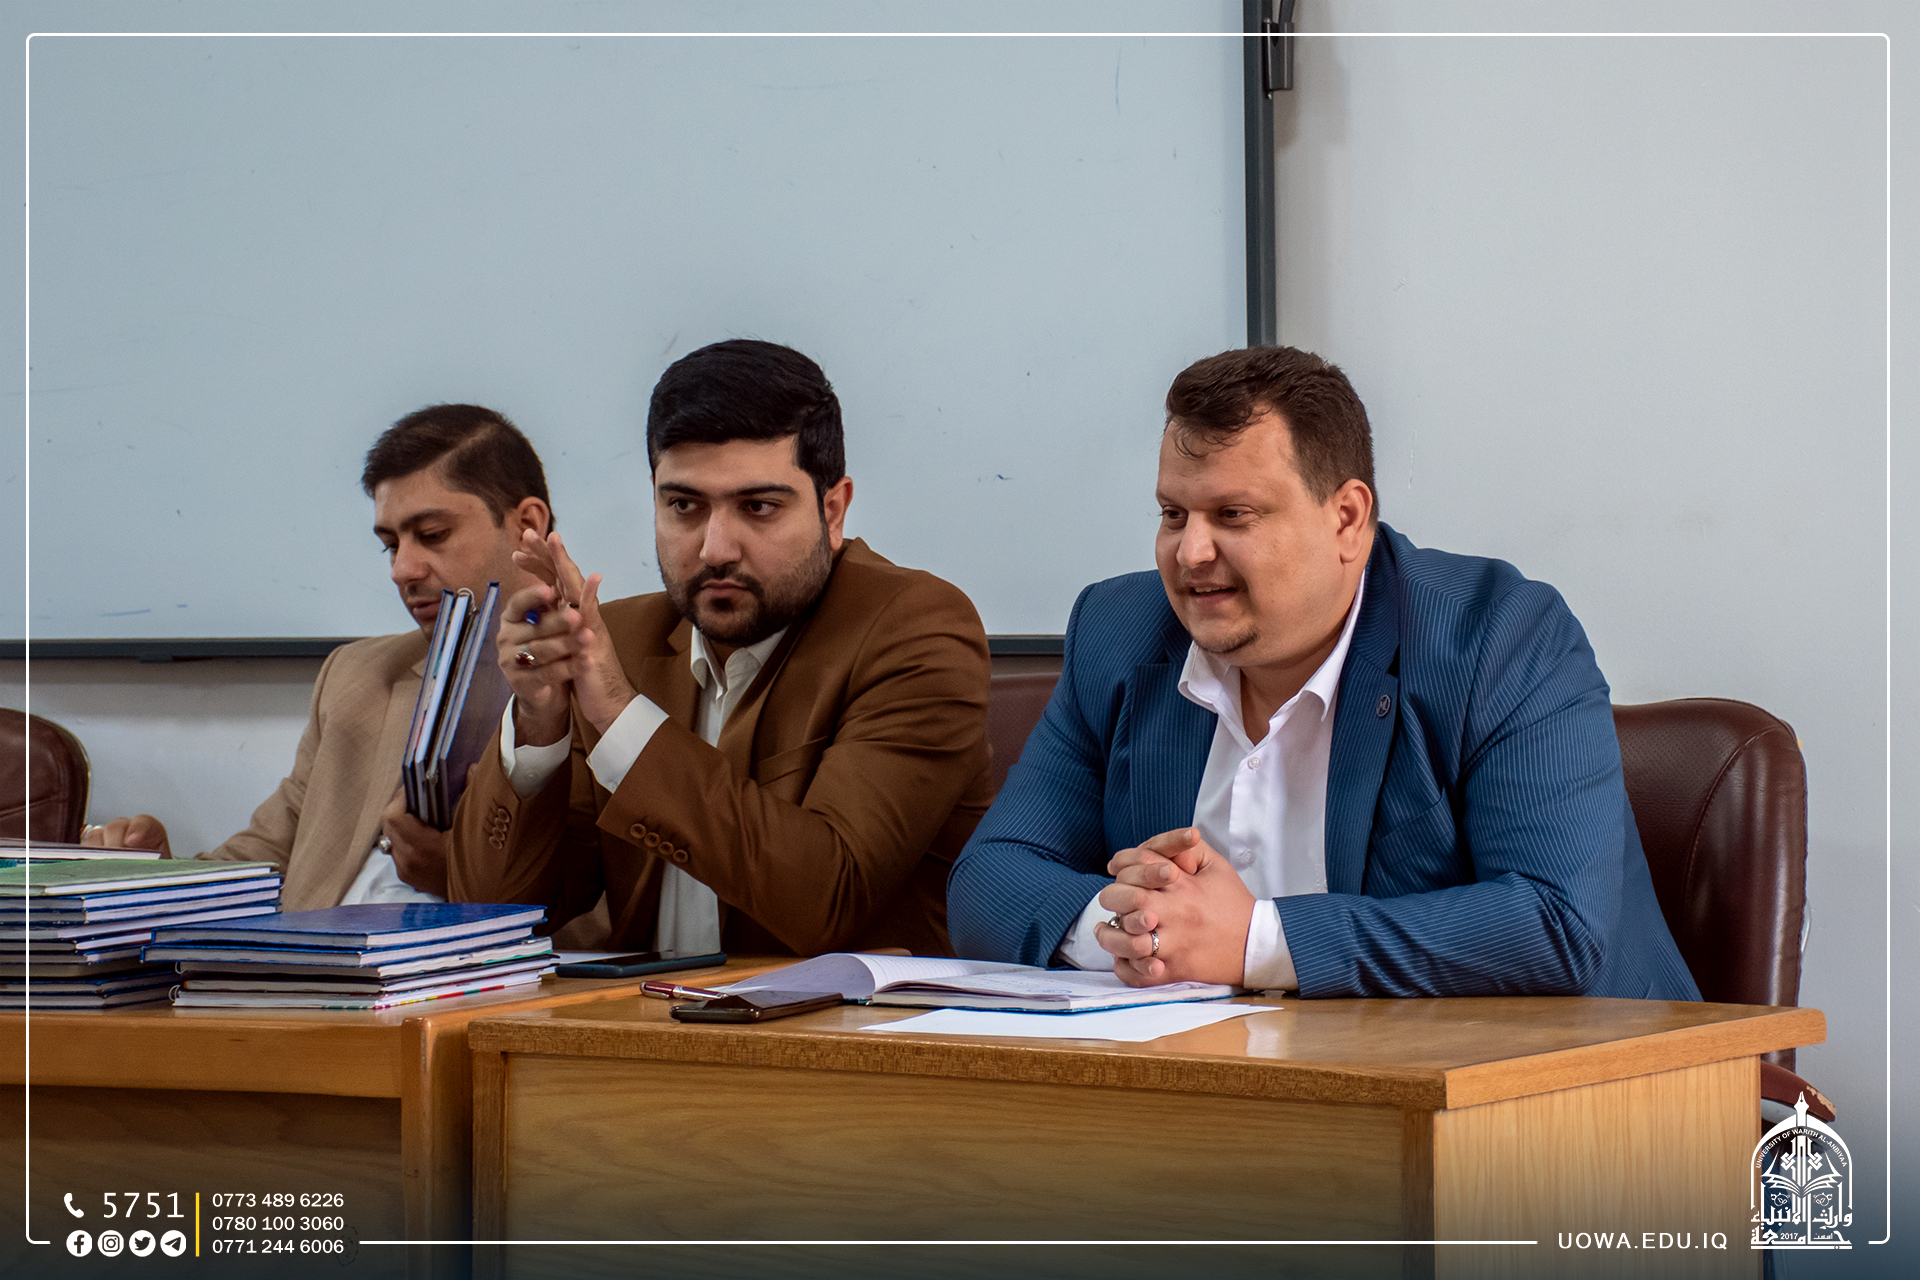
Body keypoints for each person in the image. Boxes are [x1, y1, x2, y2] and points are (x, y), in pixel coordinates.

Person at [948, 346, 1700, 1000]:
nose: (1190, 553)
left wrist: (1252, 941)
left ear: (1346, 519)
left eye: (1233, 515)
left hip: (1584, 1093)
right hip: (1260, 1090)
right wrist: (1136, 931)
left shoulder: (1497, 639)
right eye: (1173, 514)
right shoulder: (1120, 635)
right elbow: (991, 878)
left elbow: (1555, 924)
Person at [447, 339, 992, 957]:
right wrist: (539, 720)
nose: (715, 549)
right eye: (684, 505)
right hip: (638, 1013)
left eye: (758, 507)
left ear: (833, 510)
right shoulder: (619, 640)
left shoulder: (917, 629)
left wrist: (621, 718)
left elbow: (827, 898)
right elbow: (489, 924)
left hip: (845, 1018)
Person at [81, 405, 555, 909]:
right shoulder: (357, 677)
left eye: (432, 534)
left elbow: (597, 921)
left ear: (526, 525)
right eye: (390, 545)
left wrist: (458, 878)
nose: (402, 570)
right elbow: (262, 861)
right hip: (307, 957)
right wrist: (152, 877)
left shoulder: (598, 678)